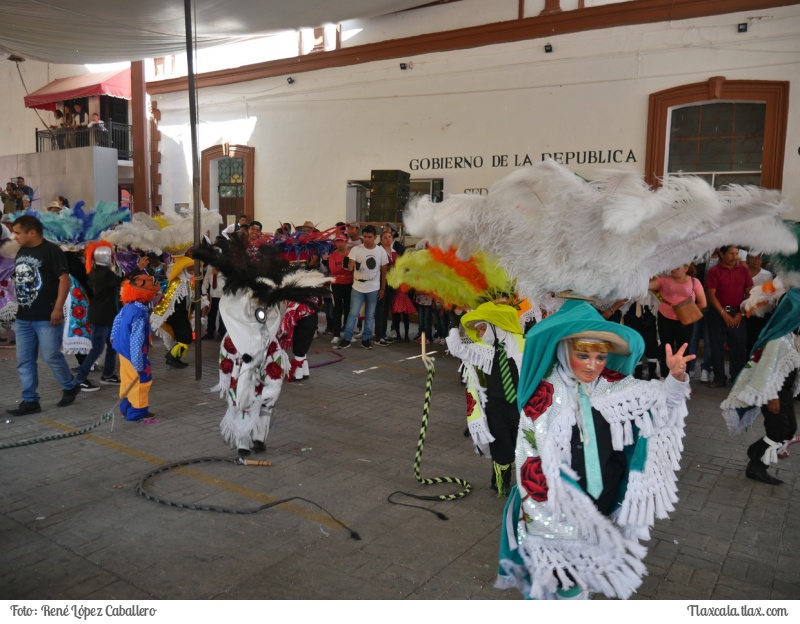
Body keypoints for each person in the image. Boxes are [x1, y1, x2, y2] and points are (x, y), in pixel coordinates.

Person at [496, 300, 692, 600]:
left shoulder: (612, 384)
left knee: (586, 570)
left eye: (600, 357)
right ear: (564, 351)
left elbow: (658, 403)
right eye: (583, 355)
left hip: (604, 493)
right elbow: (530, 456)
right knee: (563, 580)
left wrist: (676, 378)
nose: (592, 365)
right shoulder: (545, 396)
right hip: (561, 502)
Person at [721, 289, 800, 485]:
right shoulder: (778, 339)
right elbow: (766, 370)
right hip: (773, 392)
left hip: (785, 391)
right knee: (778, 431)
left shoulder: (791, 335)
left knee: (790, 429)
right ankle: (756, 467)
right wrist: (772, 396)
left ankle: (756, 451)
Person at [446, 301, 525, 495]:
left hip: (520, 405)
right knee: (500, 445)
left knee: (522, 445)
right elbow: (458, 348)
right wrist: (455, 322)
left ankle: (527, 486)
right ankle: (500, 484)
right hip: (495, 405)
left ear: (495, 327)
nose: (480, 334)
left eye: (483, 329)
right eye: (480, 330)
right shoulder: (486, 349)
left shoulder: (524, 344)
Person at [6, 215, 81, 415]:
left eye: (18, 232)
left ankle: (70, 385)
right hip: (24, 317)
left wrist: (57, 309)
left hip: (46, 317)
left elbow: (64, 280)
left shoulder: (51, 251)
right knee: (24, 360)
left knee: (51, 355)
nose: (15, 237)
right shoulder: (22, 251)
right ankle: (30, 400)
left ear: (32, 232)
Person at [111, 274, 161, 421]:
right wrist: (138, 363)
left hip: (122, 350)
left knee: (128, 380)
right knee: (141, 381)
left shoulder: (129, 306)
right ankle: (137, 412)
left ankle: (125, 408)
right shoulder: (140, 313)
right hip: (133, 354)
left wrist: (114, 340)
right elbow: (136, 340)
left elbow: (116, 322)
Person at [73, 242, 122, 390]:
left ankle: (107, 374)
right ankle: (80, 378)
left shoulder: (95, 271)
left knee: (112, 346)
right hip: (102, 316)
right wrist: (137, 270)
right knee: (97, 349)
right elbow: (122, 282)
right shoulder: (106, 273)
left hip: (103, 314)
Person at [705, 245, 753, 387]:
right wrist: (723, 314)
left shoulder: (744, 270)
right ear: (722, 254)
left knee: (738, 346)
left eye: (736, 253)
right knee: (716, 346)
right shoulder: (714, 271)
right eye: (731, 253)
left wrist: (741, 313)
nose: (734, 256)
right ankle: (719, 378)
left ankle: (736, 377)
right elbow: (711, 295)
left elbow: (749, 293)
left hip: (738, 312)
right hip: (717, 314)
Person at [649, 263, 707, 380]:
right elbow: (647, 286)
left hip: (685, 320)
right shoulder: (663, 280)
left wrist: (688, 311)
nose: (672, 270)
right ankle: (664, 377)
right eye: (672, 266)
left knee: (684, 349)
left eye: (676, 267)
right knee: (666, 348)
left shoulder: (694, 282)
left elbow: (703, 303)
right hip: (665, 318)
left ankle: (682, 378)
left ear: (686, 268)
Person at [336, 225, 389, 350]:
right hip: (357, 286)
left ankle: (366, 339)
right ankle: (347, 339)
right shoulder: (356, 249)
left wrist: (382, 289)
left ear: (375, 238)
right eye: (364, 236)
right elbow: (350, 266)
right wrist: (348, 267)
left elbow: (384, 272)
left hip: (374, 287)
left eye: (369, 237)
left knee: (370, 315)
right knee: (352, 313)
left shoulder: (381, 251)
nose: (366, 239)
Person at [327, 234, 352, 345]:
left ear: (346, 242)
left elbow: (352, 269)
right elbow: (333, 270)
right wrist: (345, 268)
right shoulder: (333, 255)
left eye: (341, 241)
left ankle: (348, 333)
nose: (339, 244)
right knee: (337, 309)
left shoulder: (351, 254)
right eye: (337, 241)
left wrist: (343, 269)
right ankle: (336, 334)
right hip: (336, 284)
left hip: (349, 284)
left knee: (348, 309)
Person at [374, 230, 397, 345]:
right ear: (381, 240)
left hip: (391, 283)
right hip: (380, 282)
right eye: (385, 237)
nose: (388, 239)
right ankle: (378, 335)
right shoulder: (378, 251)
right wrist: (388, 267)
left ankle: (383, 333)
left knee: (386, 309)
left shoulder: (394, 252)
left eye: (390, 237)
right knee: (380, 309)